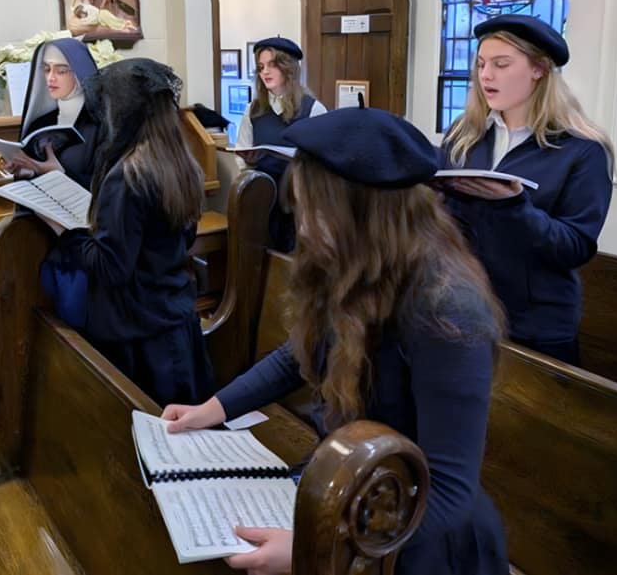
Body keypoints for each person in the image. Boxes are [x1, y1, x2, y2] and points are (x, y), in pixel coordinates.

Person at [163, 106, 508, 575]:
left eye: (315, 211)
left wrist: (319, 546)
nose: (303, 227)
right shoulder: (356, 262)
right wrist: (215, 408)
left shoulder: (447, 307)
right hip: (359, 491)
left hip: (415, 537)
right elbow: (299, 354)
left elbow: (448, 488)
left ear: (365, 212)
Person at [33, 58, 215, 407]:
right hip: (175, 320)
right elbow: (177, 240)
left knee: (151, 436)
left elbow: (109, 268)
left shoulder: (129, 175)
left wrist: (64, 230)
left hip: (139, 335)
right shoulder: (179, 161)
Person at [440, 15, 613, 364]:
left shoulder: (582, 149)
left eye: (501, 64)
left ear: (538, 69)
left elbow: (575, 247)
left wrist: (514, 206)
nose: (486, 75)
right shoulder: (464, 135)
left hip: (535, 324)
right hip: (463, 309)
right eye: (481, 64)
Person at [235, 36, 327, 250]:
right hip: (263, 199)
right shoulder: (254, 109)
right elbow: (243, 151)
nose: (265, 72)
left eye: (272, 65)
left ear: (289, 68)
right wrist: (247, 162)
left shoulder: (313, 109)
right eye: (260, 67)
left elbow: (323, 163)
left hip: (299, 202)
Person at [3, 38, 101, 189]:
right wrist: (28, 172)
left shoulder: (102, 123)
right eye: (47, 69)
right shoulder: (41, 124)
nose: (51, 78)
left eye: (61, 71)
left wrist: (61, 174)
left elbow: (112, 190)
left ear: (81, 72)